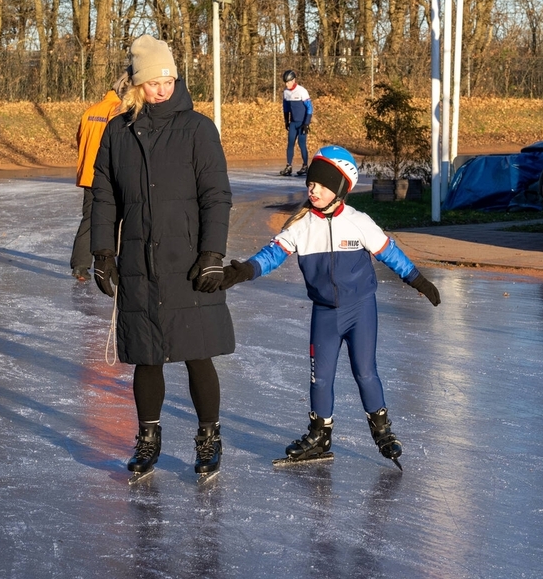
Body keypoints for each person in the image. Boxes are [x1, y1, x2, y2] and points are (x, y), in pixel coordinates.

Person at [221, 145, 440, 469]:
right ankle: (320, 434)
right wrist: (243, 271)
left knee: (365, 372)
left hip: (360, 310)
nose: (313, 189)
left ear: (340, 189)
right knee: (319, 379)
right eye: (311, 182)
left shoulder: (358, 222)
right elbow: (271, 257)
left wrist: (418, 280)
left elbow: (389, 252)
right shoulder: (301, 226)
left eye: (322, 184)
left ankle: (382, 431)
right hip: (325, 313)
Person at [90, 35, 235, 480]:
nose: (164, 88)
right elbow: (103, 197)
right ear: (137, 84)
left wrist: (213, 253)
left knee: (197, 353)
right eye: (155, 81)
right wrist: (102, 253)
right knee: (146, 356)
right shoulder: (118, 132)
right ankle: (148, 439)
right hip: (139, 260)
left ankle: (208, 436)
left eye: (169, 79)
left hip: (187, 259)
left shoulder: (197, 128)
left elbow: (217, 197)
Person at [70, 77, 125, 280]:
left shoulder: (91, 111)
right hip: (108, 175)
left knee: (89, 219)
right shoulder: (118, 110)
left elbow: (80, 138)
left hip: (88, 173)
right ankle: (112, 261)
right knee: (114, 218)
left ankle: (80, 265)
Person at [280, 69, 313, 177]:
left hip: (302, 122)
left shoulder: (302, 91)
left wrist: (307, 123)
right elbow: (285, 108)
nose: (287, 84)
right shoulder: (286, 92)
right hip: (293, 123)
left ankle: (305, 166)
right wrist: (286, 121)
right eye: (285, 82)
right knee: (290, 144)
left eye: (289, 82)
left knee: (302, 144)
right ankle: (288, 166)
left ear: (294, 80)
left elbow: (309, 107)